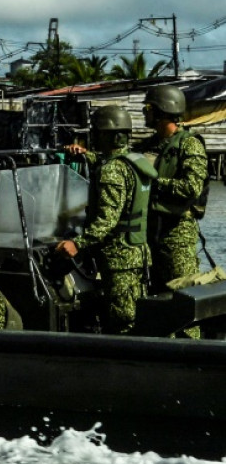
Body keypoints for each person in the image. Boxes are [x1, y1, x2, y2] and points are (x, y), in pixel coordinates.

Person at [56, 105, 157, 334]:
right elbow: (106, 162)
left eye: (97, 133)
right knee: (134, 312)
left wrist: (77, 244)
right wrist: (83, 154)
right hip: (136, 252)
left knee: (122, 322)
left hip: (119, 258)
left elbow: (106, 221)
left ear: (106, 134)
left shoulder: (111, 171)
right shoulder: (133, 162)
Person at [134, 85, 208, 291]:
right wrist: (87, 154)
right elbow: (122, 161)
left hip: (177, 235)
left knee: (181, 295)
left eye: (149, 107)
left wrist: (153, 182)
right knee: (154, 297)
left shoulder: (190, 144)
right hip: (150, 232)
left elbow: (192, 187)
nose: (145, 112)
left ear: (163, 111)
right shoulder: (148, 145)